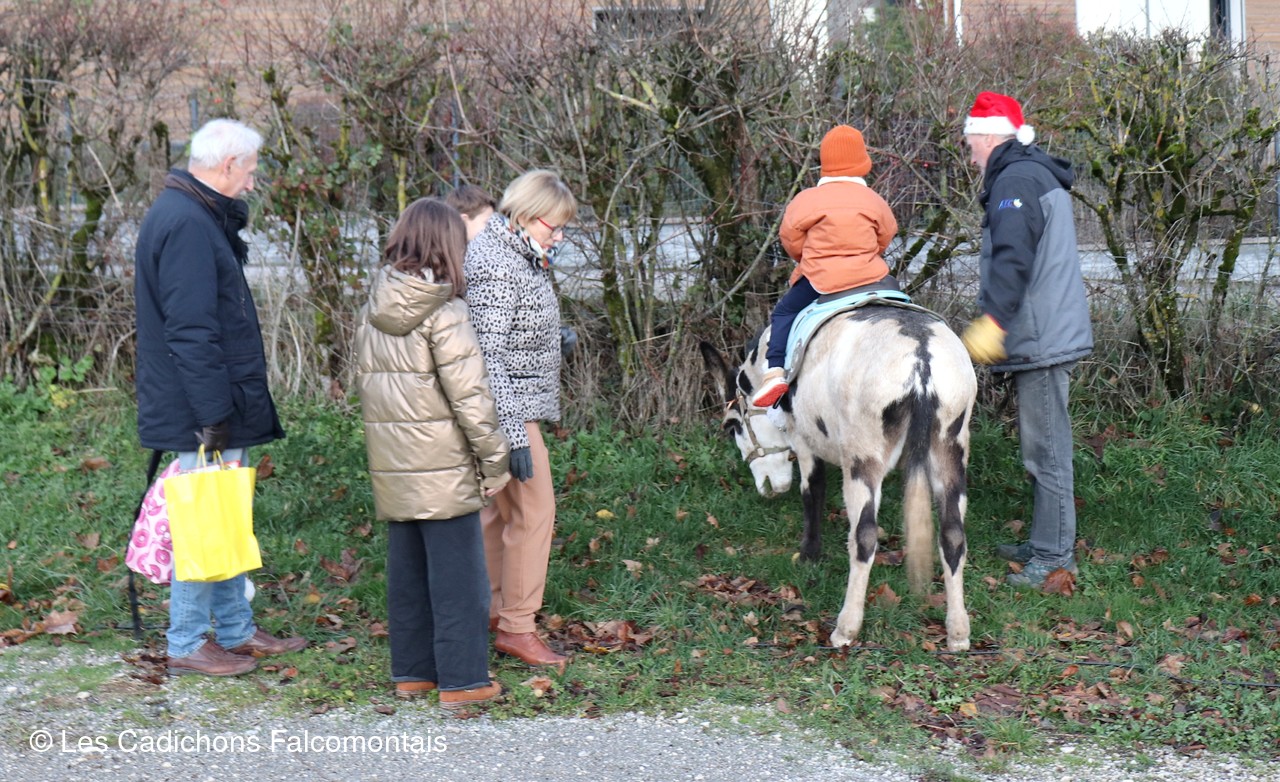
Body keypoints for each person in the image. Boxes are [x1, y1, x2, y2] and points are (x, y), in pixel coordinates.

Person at [133, 118, 307, 676]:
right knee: (203, 520)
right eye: (250, 171)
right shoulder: (186, 222)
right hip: (200, 406)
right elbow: (190, 330)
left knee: (225, 513)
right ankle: (186, 642)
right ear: (228, 165)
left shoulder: (194, 214)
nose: (253, 182)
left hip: (209, 400)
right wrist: (212, 413)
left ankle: (235, 630)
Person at [355, 198, 511, 712]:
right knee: (460, 581)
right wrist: (495, 462)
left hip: (393, 464)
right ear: (448, 245)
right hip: (443, 466)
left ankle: (414, 673)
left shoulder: (374, 307)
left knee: (408, 576)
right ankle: (463, 680)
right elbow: (472, 400)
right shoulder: (445, 311)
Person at [959, 91, 1094, 588]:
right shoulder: (1029, 172)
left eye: (970, 143)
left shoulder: (1015, 180)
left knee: (1047, 452)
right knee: (1042, 448)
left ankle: (1054, 559)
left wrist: (994, 320)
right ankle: (1045, 541)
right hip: (1044, 331)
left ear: (988, 136)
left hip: (1041, 336)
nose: (970, 154)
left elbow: (1013, 256)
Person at [464, 169, 576, 670]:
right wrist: (513, 435)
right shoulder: (496, 262)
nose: (560, 236)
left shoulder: (519, 253)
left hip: (512, 406)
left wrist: (554, 341)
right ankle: (517, 626)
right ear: (528, 216)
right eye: (556, 226)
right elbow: (486, 356)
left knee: (502, 514)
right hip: (507, 411)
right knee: (534, 514)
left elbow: (513, 331)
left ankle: (491, 610)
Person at [751, 125, 899, 408]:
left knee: (785, 312)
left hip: (821, 281)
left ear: (824, 162)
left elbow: (791, 240)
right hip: (870, 279)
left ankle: (774, 372)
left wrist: (808, 258)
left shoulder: (806, 200)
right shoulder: (874, 200)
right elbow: (886, 236)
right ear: (862, 161)